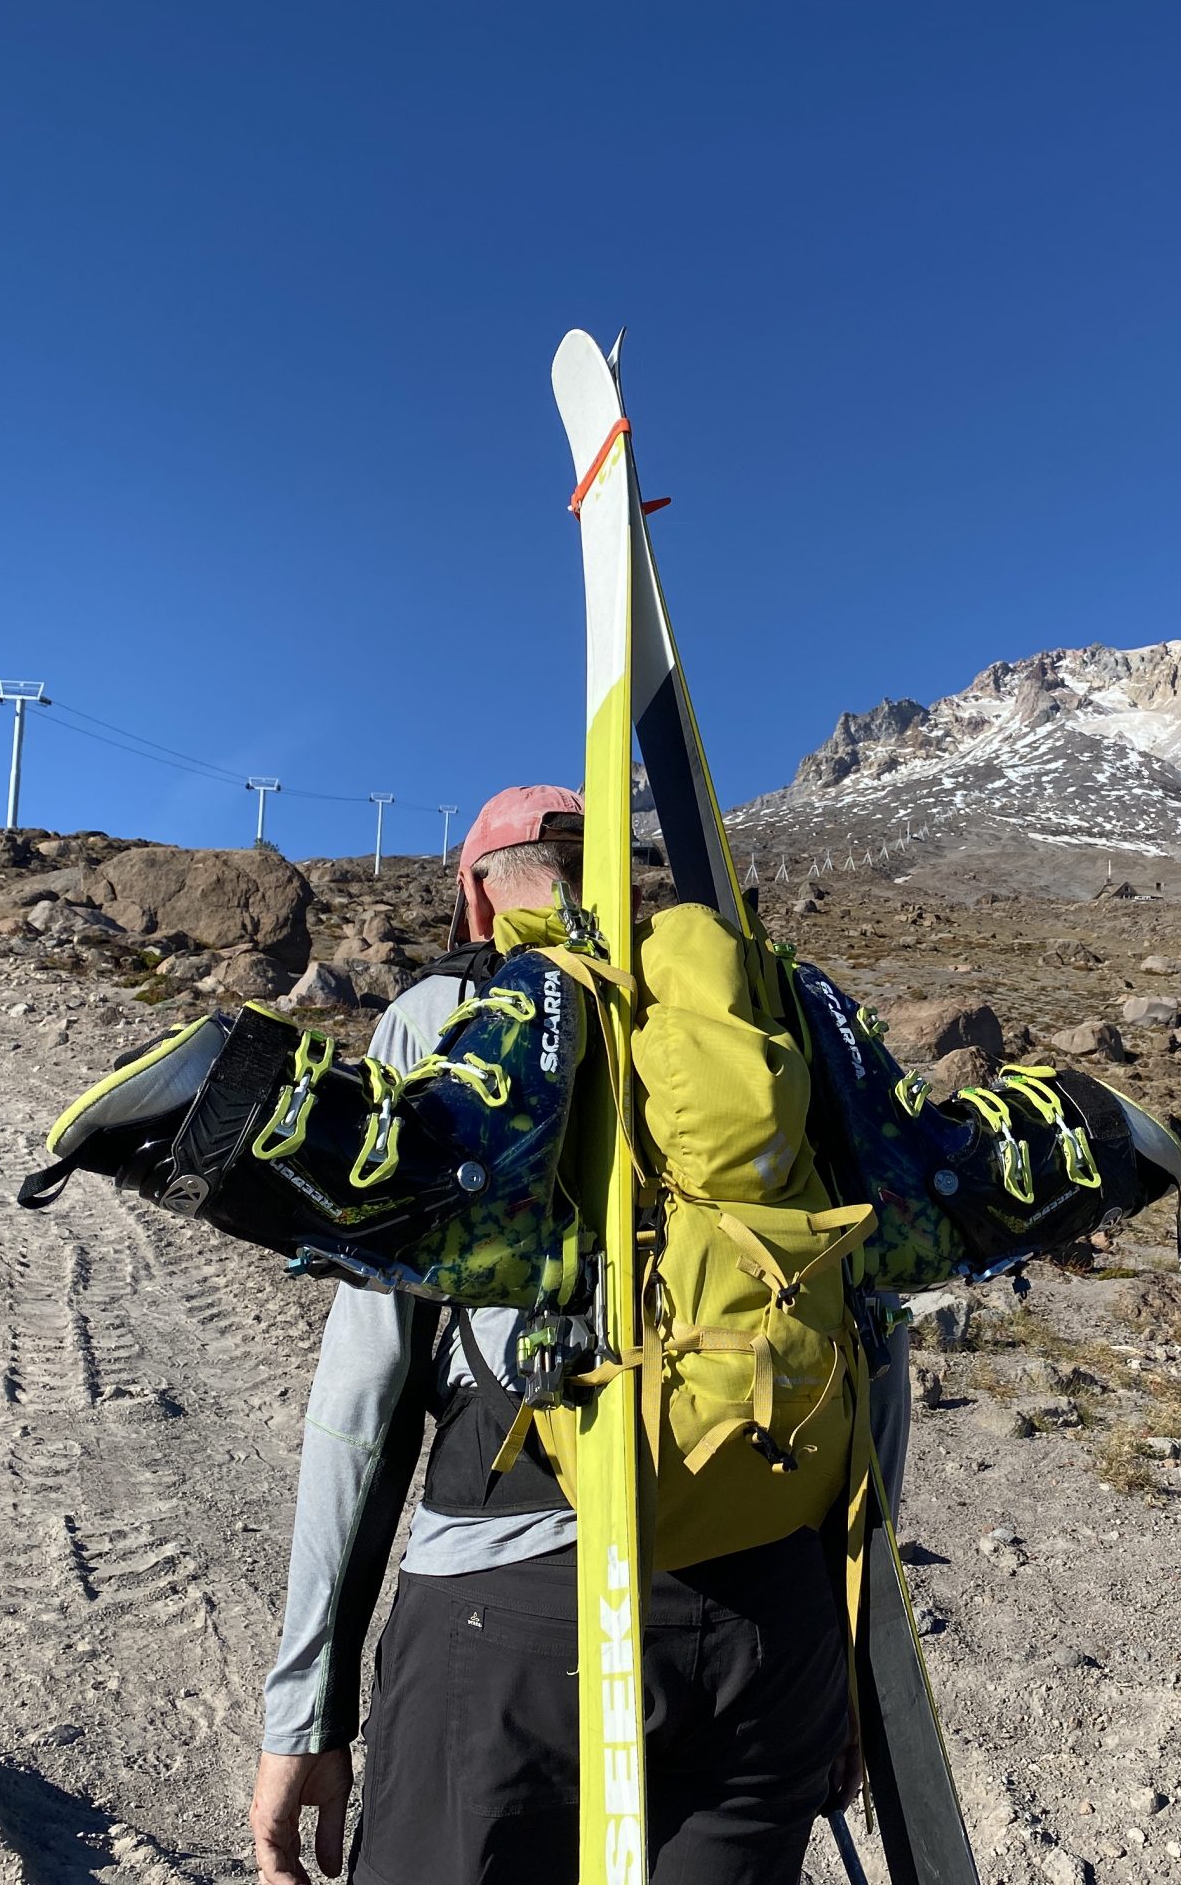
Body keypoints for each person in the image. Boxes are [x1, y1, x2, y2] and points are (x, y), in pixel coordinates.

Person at [248, 785, 906, 1885]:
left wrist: (306, 1709)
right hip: (772, 1609)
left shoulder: (447, 1016)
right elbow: (866, 1334)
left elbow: (365, 1393)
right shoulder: (763, 1027)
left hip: (516, 1609)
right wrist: (845, 1649)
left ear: (476, 896)